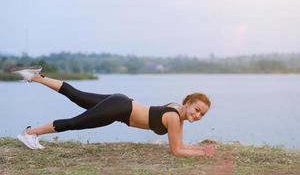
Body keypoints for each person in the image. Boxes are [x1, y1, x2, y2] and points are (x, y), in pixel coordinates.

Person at [11, 66, 216, 157]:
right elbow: (177, 150)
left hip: (122, 102)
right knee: (75, 122)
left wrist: (200, 150)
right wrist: (203, 155)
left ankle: (34, 76)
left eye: (201, 114)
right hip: (120, 108)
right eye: (197, 109)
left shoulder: (175, 109)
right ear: (188, 102)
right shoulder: (173, 118)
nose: (197, 115)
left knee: (76, 94)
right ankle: (29, 134)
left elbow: (179, 144)